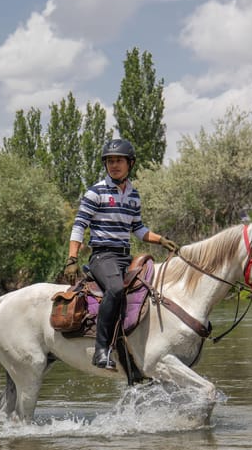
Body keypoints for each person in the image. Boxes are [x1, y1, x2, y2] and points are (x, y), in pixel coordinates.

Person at [64, 138, 179, 370]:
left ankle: (139, 350)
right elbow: (79, 225)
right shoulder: (95, 193)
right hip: (102, 257)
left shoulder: (133, 195)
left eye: (119, 161)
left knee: (153, 288)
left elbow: (138, 228)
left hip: (125, 257)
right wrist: (72, 259)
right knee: (115, 289)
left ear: (130, 163)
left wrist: (160, 240)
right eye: (110, 161)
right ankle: (102, 350)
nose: (114, 165)